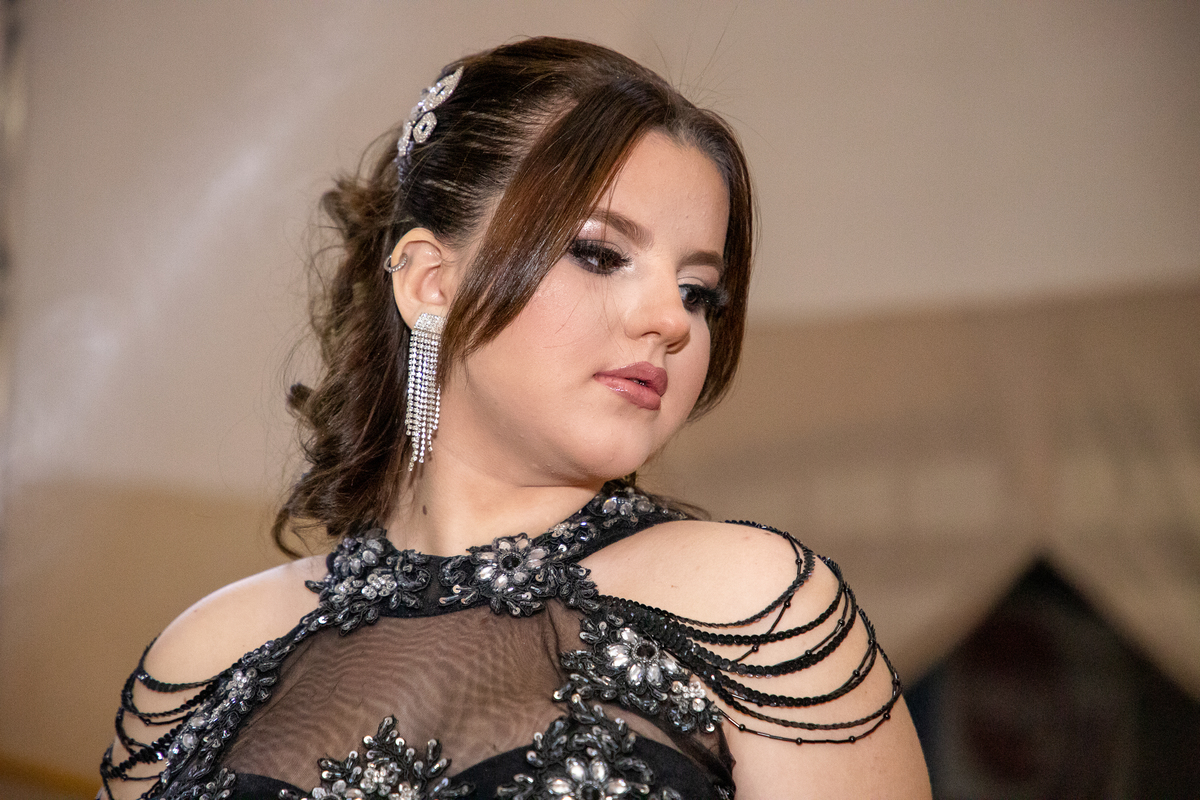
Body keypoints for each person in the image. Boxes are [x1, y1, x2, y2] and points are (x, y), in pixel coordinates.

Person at [99, 37, 930, 800]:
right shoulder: (205, 656)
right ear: (431, 282)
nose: (671, 322)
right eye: (600, 254)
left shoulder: (752, 610)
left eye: (698, 292)